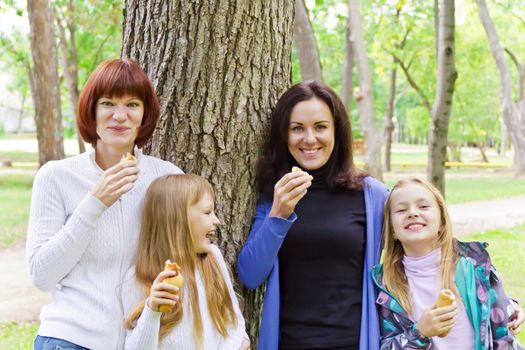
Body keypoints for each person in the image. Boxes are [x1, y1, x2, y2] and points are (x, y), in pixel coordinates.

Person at [26, 58, 182, 350]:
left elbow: (195, 263)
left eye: (133, 104)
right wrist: (95, 202)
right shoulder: (57, 177)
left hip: (142, 340)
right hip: (70, 339)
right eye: (108, 103)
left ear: (145, 114)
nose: (119, 116)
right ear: (92, 112)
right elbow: (41, 275)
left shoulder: (168, 178)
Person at [237, 80, 388, 350]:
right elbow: (250, 274)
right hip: (290, 343)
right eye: (297, 129)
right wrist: (279, 214)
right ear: (284, 135)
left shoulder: (371, 196)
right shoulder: (275, 195)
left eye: (320, 127)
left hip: (355, 343)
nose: (309, 139)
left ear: (337, 132)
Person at [372, 177, 524, 349]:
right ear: (392, 230)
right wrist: (420, 331)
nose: (413, 213)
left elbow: (501, 332)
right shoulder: (386, 286)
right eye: (401, 210)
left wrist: (510, 306)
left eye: (423, 206)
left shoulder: (473, 266)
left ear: (442, 222)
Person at [122, 174, 250, 349]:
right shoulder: (137, 279)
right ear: (177, 220)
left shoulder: (212, 259)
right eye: (207, 212)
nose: (217, 221)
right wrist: (152, 310)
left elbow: (234, 324)